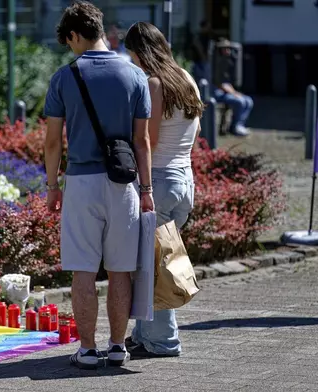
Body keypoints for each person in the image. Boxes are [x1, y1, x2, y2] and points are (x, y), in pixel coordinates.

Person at [43, 1, 153, 369]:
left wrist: (52, 186)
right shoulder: (135, 75)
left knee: (84, 270)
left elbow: (53, 142)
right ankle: (118, 346)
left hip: (81, 182)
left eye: (69, 41)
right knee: (121, 269)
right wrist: (148, 190)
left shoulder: (64, 77)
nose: (70, 48)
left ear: (75, 35)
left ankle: (88, 350)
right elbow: (143, 142)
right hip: (125, 183)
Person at [123, 21, 204, 358]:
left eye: (131, 55)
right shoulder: (186, 79)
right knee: (153, 260)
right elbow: (194, 134)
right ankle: (144, 335)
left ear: (141, 53)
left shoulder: (154, 85)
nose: (131, 62)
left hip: (160, 182)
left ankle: (163, 341)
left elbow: (149, 141)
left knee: (155, 265)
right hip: (184, 180)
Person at [212, 39, 253, 137]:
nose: (228, 51)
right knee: (240, 102)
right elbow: (220, 84)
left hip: (226, 91)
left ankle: (239, 124)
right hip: (217, 93)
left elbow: (227, 83)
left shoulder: (227, 62)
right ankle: (235, 127)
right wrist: (234, 93)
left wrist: (234, 92)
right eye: (225, 49)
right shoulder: (216, 63)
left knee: (248, 101)